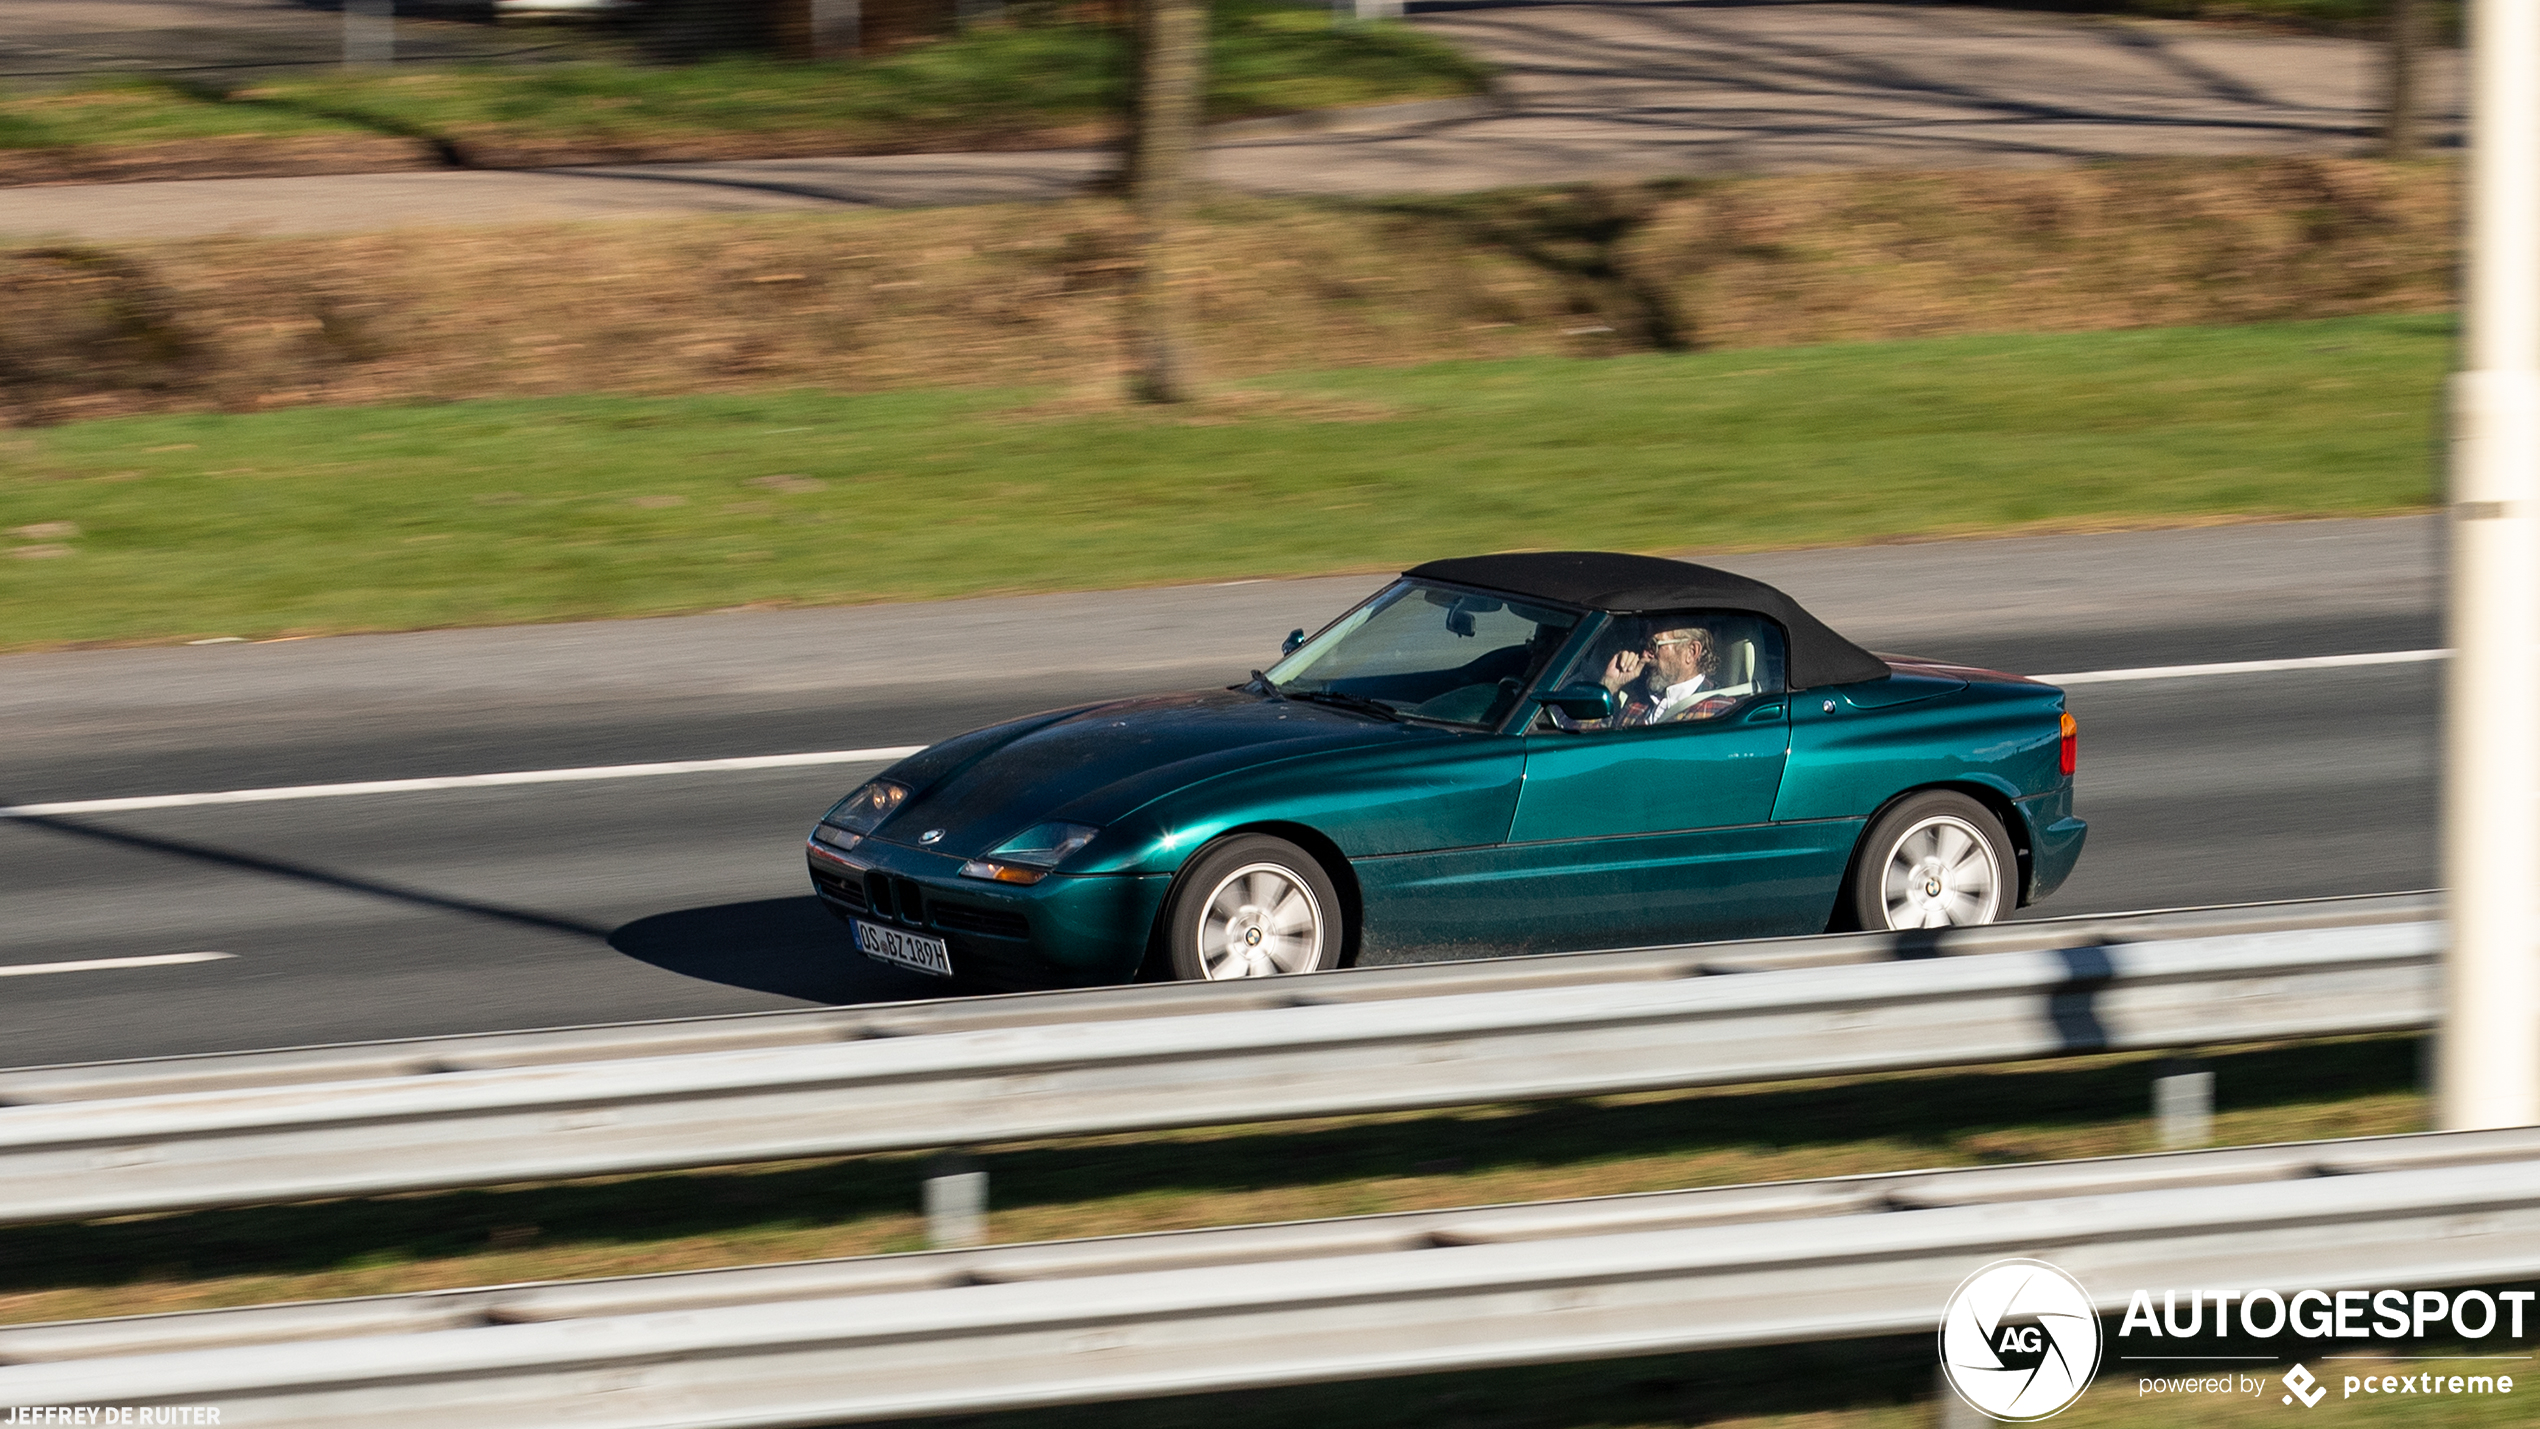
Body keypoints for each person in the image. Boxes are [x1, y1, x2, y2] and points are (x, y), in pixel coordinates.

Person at [1595, 622, 1720, 726]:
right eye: (1645, 644)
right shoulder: (1637, 699)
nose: (1645, 655)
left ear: (1691, 652)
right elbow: (1589, 747)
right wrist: (1609, 685)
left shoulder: (1718, 713)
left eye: (1654, 645)